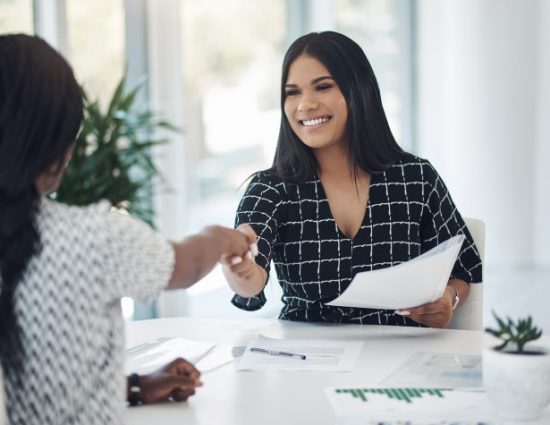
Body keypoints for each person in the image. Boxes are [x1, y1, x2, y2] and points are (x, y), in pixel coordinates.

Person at [0, 34, 257, 425]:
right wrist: (223, 237)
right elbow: (183, 265)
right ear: (60, 146)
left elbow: (28, 385)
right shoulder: (91, 237)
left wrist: (135, 386)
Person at [222, 31, 482, 328]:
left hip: (398, 358)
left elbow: (464, 269)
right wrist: (239, 266)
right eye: (292, 92)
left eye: (322, 87)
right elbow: (251, 284)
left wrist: (449, 297)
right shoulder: (271, 188)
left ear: (358, 91)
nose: (305, 104)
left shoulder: (416, 178)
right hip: (305, 361)